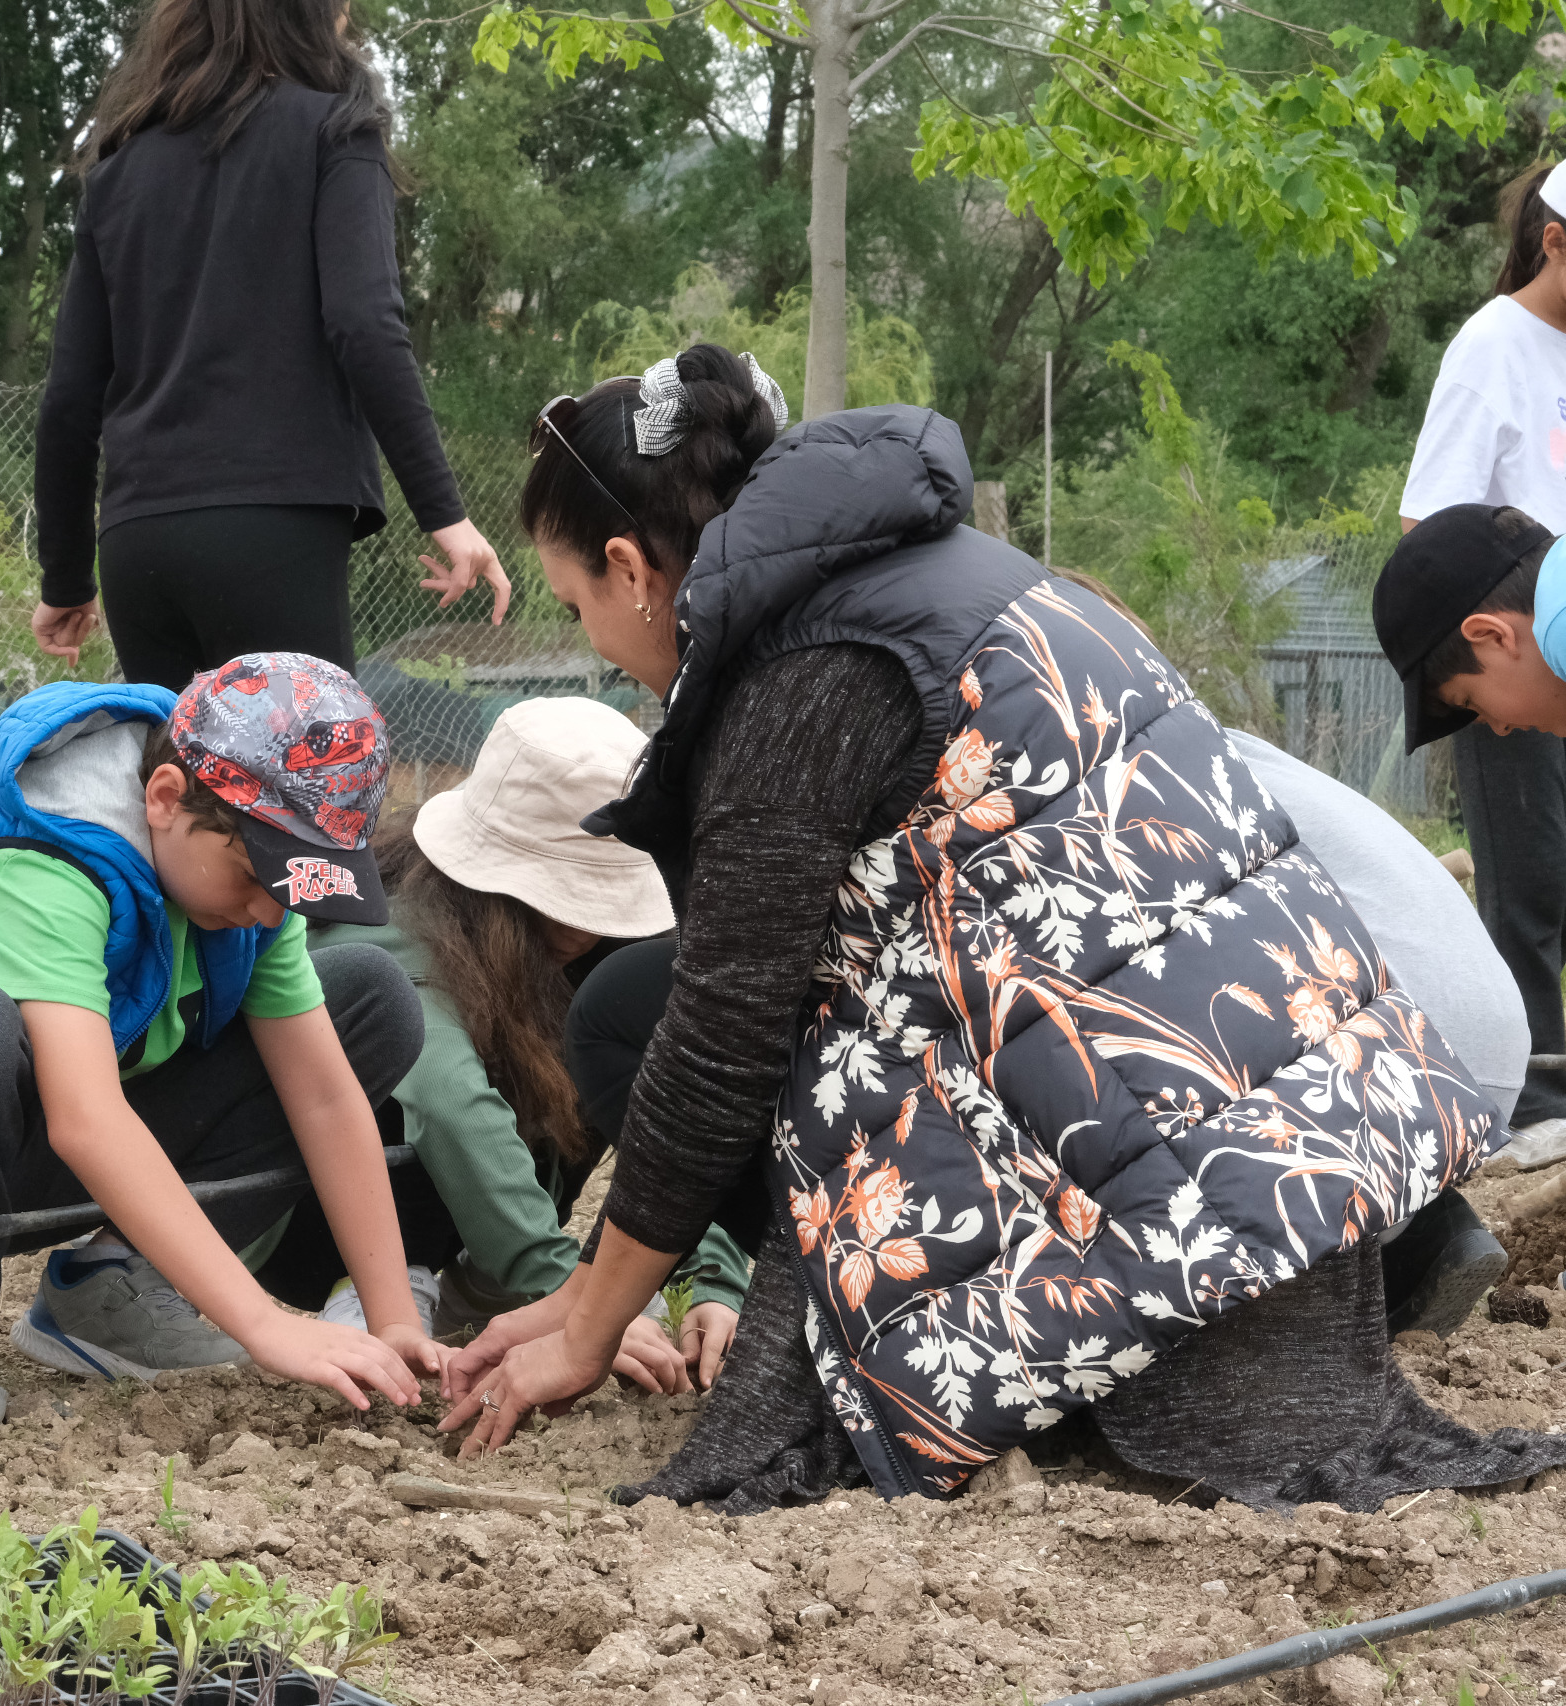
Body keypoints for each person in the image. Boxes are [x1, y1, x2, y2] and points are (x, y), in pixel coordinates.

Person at [438, 349, 1562, 1515]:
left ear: (630, 568)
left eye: (575, 606)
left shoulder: (809, 674)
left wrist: (590, 1324)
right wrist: (584, 1294)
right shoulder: (964, 574)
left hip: (1209, 1181)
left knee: (719, 1039)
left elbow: (723, 1036)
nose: (591, 640)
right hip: (1323, 1130)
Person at [0, 653, 441, 1426]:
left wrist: (395, 1324)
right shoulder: (42, 854)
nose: (267, 911)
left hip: (69, 1134)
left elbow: (322, 1096)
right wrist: (265, 1324)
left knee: (370, 1000)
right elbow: (85, 1118)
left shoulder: (255, 899)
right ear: (164, 797)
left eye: (290, 890)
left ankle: (107, 1294)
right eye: (254, 877)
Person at [1053, 572, 1527, 1334]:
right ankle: (1419, 1231)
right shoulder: (1231, 748)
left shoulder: (1119, 790)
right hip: (1478, 1062)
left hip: (1410, 1080)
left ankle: (1350, 1265)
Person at [29, 0, 511, 690]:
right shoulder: (336, 129)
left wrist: (67, 576)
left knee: (182, 795)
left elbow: (71, 397)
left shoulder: (118, 167)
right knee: (305, 790)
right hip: (274, 529)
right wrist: (447, 516)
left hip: (140, 542)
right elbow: (365, 322)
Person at [274, 697, 747, 1392]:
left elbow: (680, 1089)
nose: (586, 926)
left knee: (611, 1037)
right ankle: (397, 1287)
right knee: (407, 1071)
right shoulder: (393, 921)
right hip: (316, 1230)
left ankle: (485, 1287)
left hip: (497, 1235)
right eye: (564, 896)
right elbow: (448, 1099)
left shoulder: (605, 951)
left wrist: (713, 1277)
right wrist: (575, 1300)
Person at [1396, 162, 1566, 1168]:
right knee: (1531, 876)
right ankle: (1532, 1098)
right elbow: (1432, 523)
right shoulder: (1493, 346)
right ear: (1553, 242)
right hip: (1514, 649)